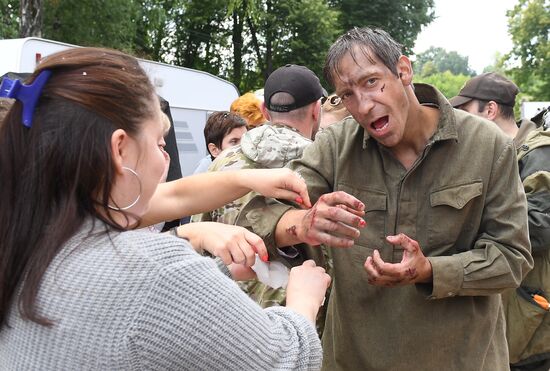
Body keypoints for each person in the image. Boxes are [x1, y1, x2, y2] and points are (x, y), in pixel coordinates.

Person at [0, 47, 331, 370]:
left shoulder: (26, 233)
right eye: (160, 141)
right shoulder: (159, 271)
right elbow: (284, 358)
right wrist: (303, 298)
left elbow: (174, 199)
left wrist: (245, 180)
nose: (166, 158)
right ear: (120, 149)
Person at [236, 27, 533, 370]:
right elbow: (257, 215)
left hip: (463, 359)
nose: (362, 105)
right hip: (355, 359)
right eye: (347, 94)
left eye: (371, 82)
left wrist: (430, 271)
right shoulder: (335, 147)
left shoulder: (487, 144)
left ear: (403, 70)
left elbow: (512, 258)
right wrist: (301, 224)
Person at [192, 63, 324, 309]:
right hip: (300, 318)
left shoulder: (223, 161)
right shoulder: (321, 162)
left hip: (229, 314)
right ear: (316, 110)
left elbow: (197, 236)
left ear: (264, 110)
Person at [450, 73, 550, 371]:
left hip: (530, 312)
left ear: (489, 110)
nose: (460, 121)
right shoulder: (493, 154)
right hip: (503, 306)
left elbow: (541, 227)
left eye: (466, 111)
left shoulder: (539, 154)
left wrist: (470, 214)